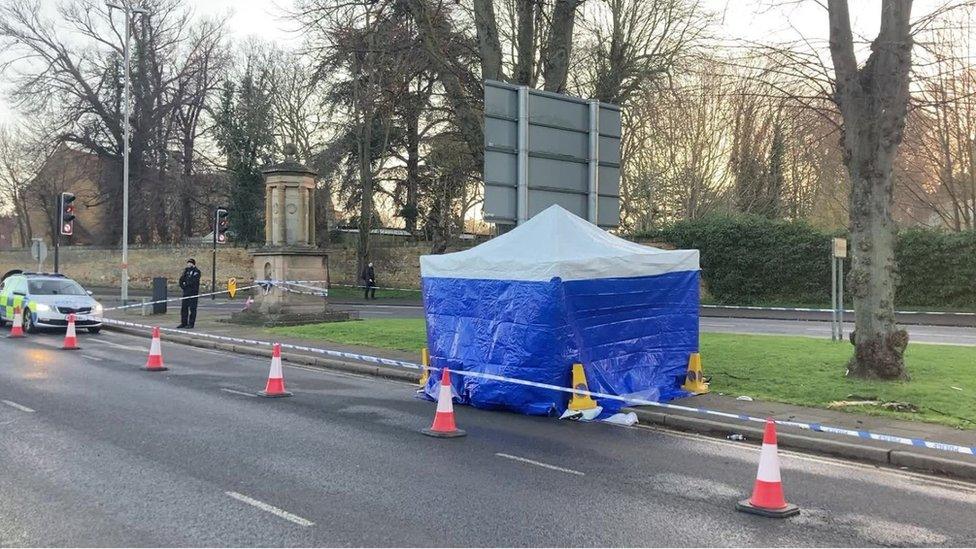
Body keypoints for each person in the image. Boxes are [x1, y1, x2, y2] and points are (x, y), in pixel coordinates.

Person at [177, 258, 202, 329]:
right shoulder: (186, 271)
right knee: (184, 308)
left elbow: (193, 281)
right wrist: (183, 286)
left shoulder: (197, 271)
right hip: (186, 292)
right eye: (188, 263)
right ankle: (183, 323)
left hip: (193, 293)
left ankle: (191, 324)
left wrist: (186, 284)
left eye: (190, 263)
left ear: (193, 264)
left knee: (192, 309)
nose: (188, 264)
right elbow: (181, 279)